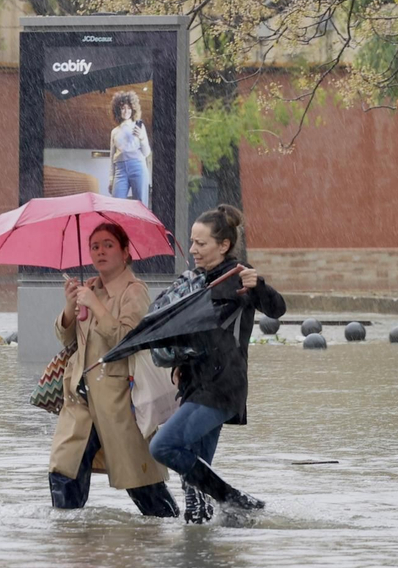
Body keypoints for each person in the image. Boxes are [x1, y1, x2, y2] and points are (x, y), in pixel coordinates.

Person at [148, 204, 286, 524]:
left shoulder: (238, 279)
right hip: (195, 384)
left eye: (201, 243)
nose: (193, 249)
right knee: (194, 476)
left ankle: (235, 500)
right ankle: (209, 534)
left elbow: (277, 309)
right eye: (192, 242)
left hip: (223, 388)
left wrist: (259, 285)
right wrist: (179, 359)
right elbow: (196, 335)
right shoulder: (195, 280)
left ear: (223, 245)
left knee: (164, 446)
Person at [48, 222, 178, 517]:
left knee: (142, 481)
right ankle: (68, 537)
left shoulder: (134, 291)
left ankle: (172, 527)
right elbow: (69, 339)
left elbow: (129, 338)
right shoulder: (90, 288)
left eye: (108, 245)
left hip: (118, 399)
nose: (100, 251)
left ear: (124, 251)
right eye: (94, 246)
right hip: (80, 399)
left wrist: (97, 306)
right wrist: (71, 307)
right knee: (64, 468)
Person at [108, 91, 151, 208]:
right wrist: (111, 179)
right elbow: (112, 157)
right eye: (122, 108)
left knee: (141, 205)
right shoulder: (115, 131)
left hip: (137, 166)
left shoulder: (139, 128)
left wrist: (141, 137)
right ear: (118, 110)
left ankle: (141, 227)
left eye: (129, 108)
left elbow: (146, 153)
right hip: (120, 170)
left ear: (133, 109)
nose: (126, 111)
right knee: (116, 206)